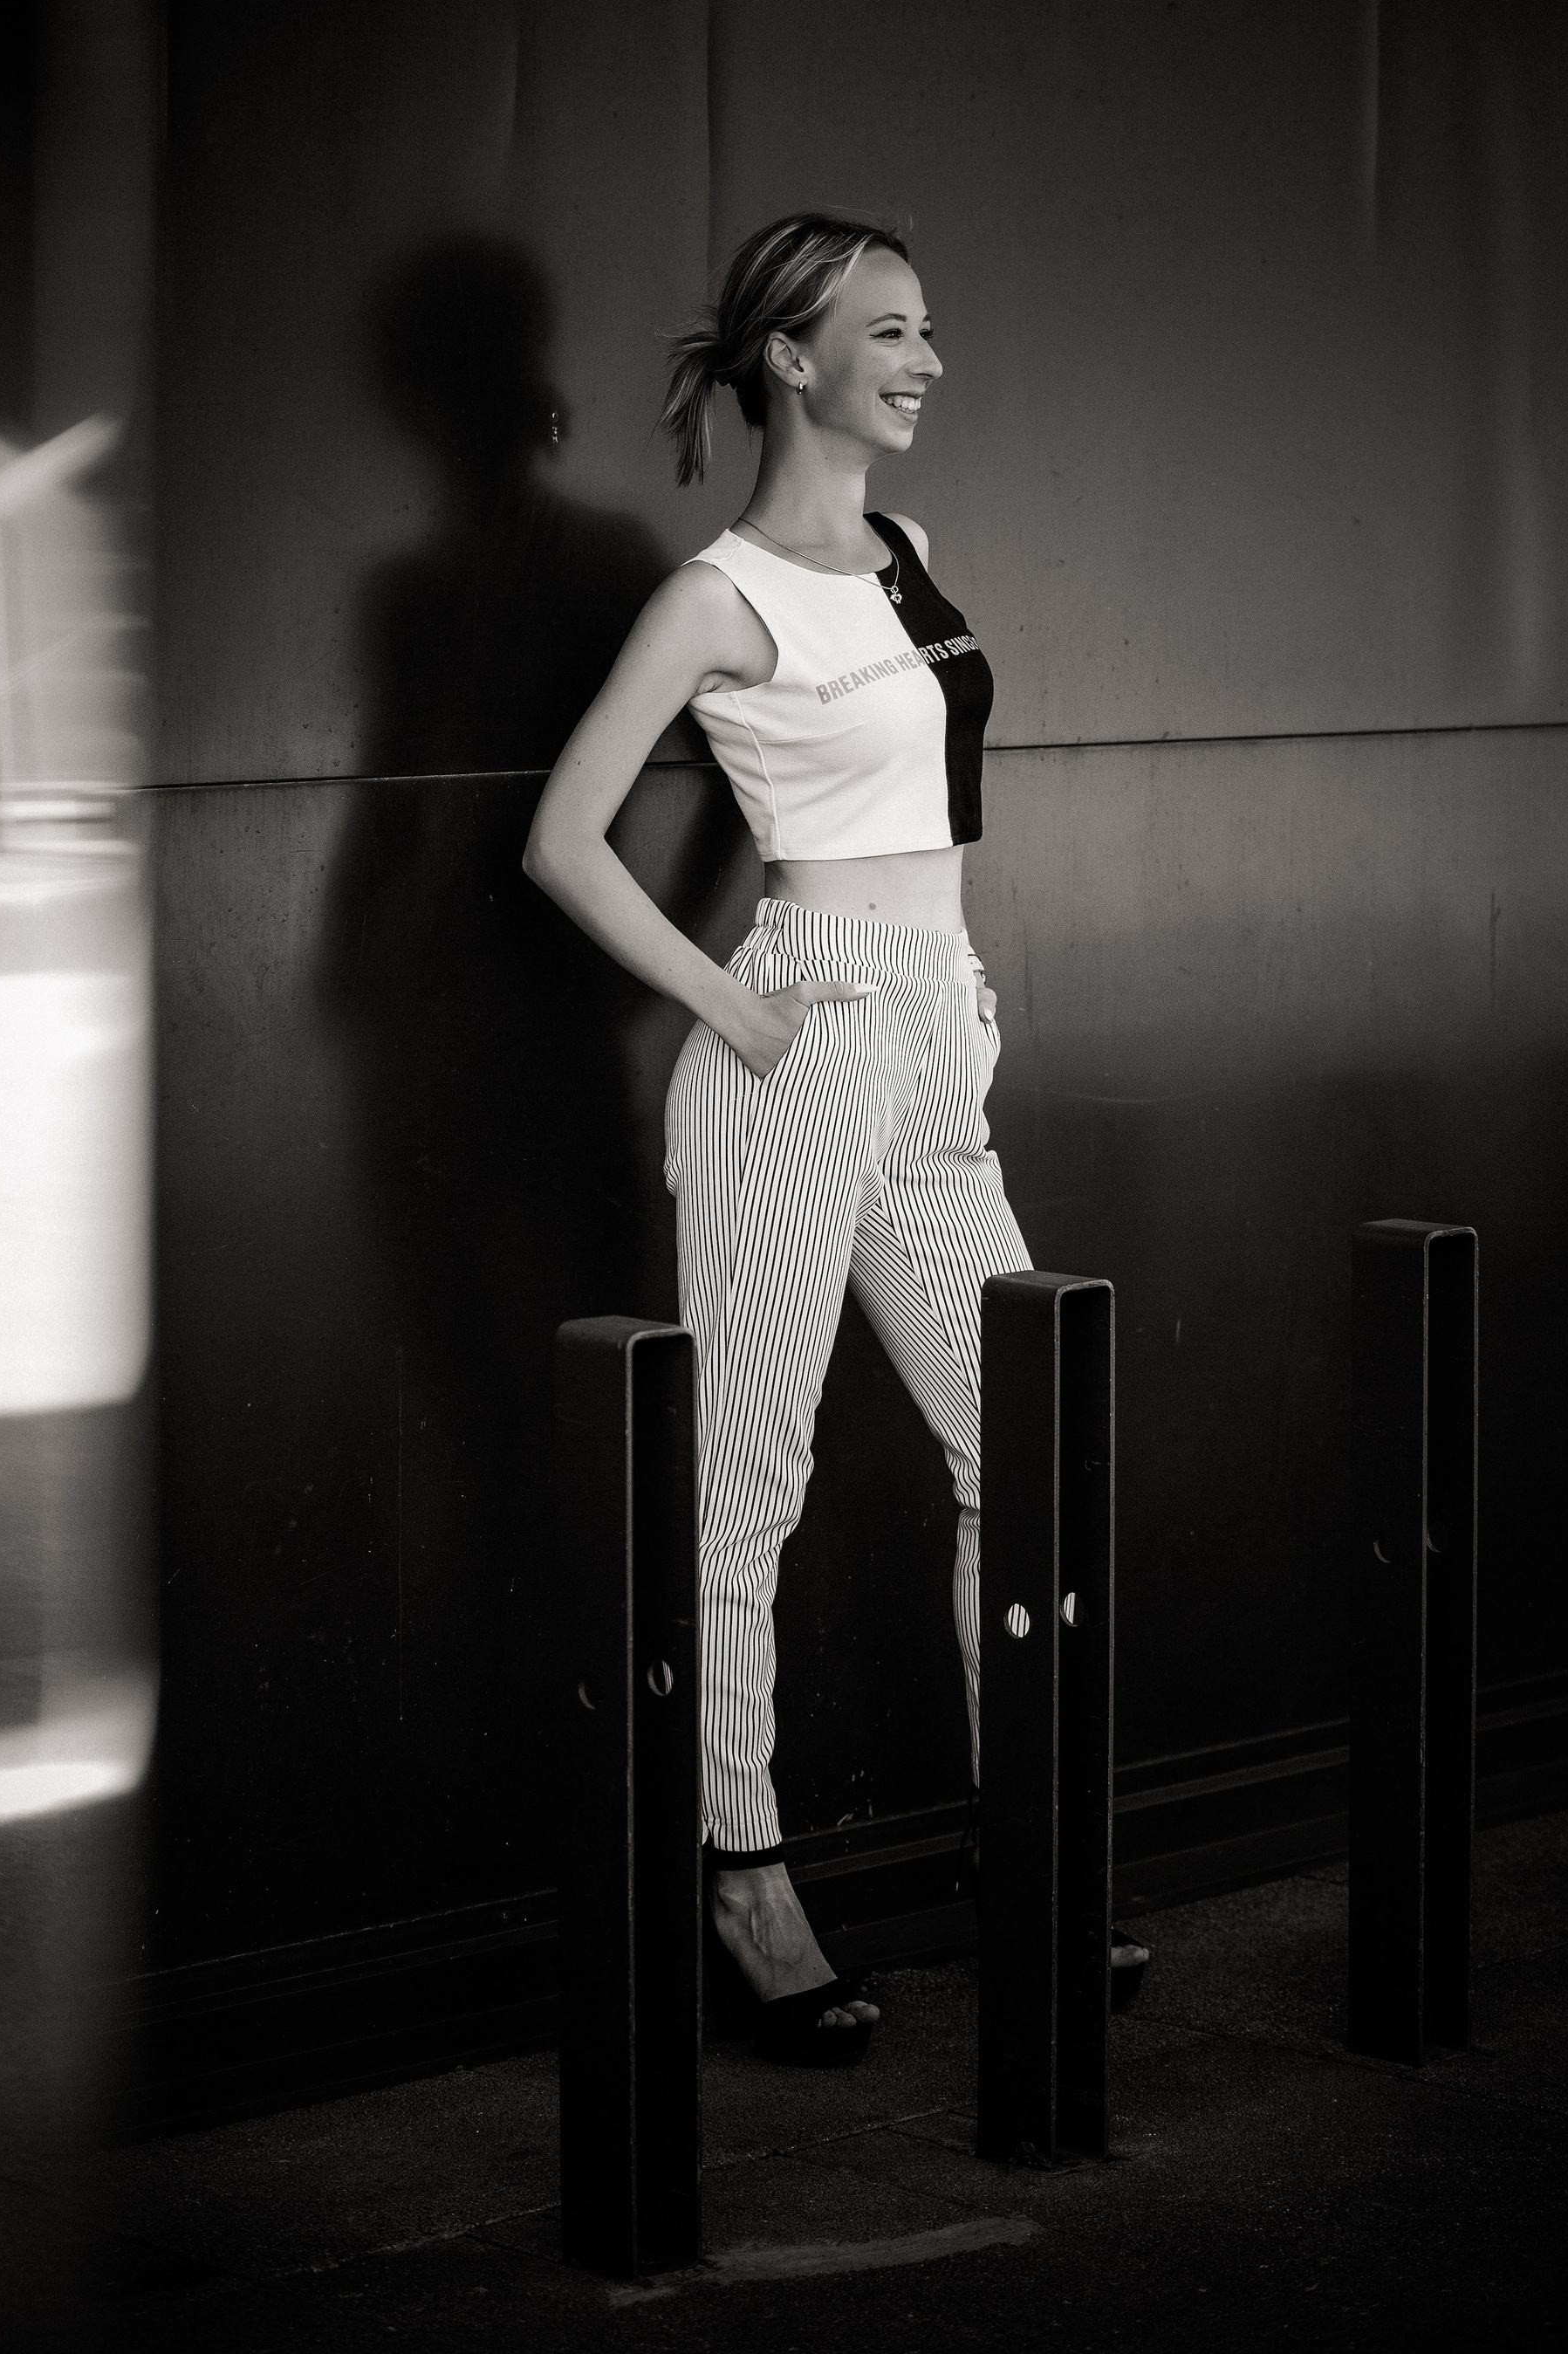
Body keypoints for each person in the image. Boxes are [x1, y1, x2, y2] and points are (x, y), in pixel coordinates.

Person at [525, 213, 1143, 2066]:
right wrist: (738, 1014)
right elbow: (561, 840)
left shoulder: (907, 553)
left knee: (1023, 1449)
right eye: (890, 330)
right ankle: (743, 1872)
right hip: (798, 1042)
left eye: (928, 327)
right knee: (746, 1490)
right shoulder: (718, 597)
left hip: (937, 1029)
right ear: (792, 358)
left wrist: (933, 1006)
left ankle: (1022, 1841)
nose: (927, 358)